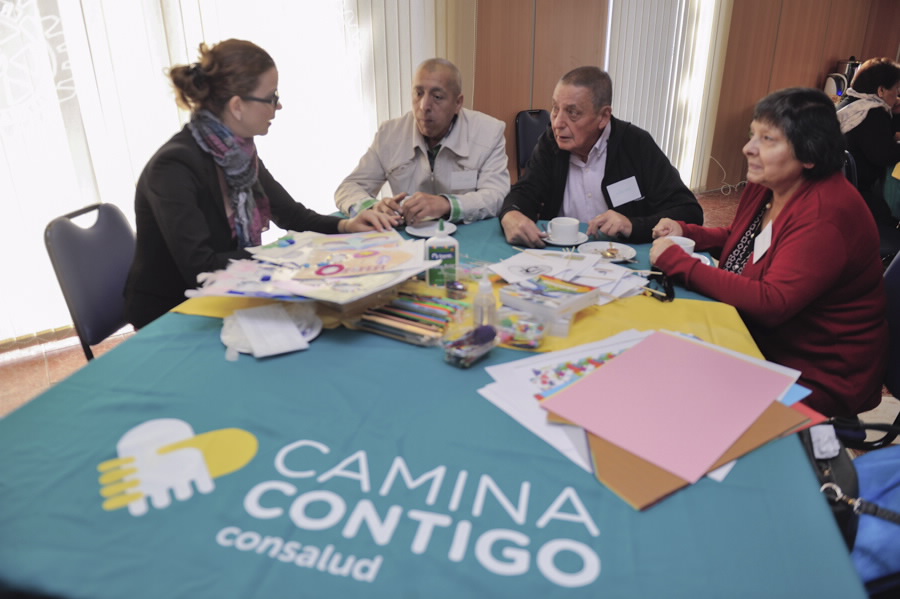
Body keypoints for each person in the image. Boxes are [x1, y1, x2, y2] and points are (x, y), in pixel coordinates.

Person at [650, 87, 888, 418]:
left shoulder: (825, 213)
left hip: (816, 372)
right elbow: (746, 239)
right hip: (763, 341)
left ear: (809, 155)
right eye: (753, 135)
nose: (748, 148)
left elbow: (772, 302)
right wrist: (689, 233)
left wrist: (680, 263)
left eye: (767, 139)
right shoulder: (770, 184)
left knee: (679, 397)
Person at [124, 40, 394, 329]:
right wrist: (290, 256)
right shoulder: (174, 167)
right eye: (271, 97)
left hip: (225, 295)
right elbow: (201, 267)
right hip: (172, 312)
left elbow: (292, 215)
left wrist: (346, 225)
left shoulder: (238, 155)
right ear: (237, 106)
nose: (278, 105)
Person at [499, 66, 702, 248]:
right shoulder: (551, 142)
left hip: (622, 256)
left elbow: (689, 212)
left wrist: (632, 225)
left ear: (603, 117)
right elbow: (525, 191)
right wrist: (511, 214)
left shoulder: (636, 144)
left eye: (572, 113)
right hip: (561, 255)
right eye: (555, 109)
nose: (557, 123)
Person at [334, 58, 510, 226]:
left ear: (458, 103)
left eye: (437, 97)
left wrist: (447, 204)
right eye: (418, 94)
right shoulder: (389, 134)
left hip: (467, 235)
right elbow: (349, 187)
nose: (424, 106)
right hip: (407, 234)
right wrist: (372, 208)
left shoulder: (488, 132)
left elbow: (496, 196)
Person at [836, 57, 900, 244]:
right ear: (881, 91)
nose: (898, 95)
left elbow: (881, 137)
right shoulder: (873, 112)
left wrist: (894, 113)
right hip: (859, 196)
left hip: (841, 189)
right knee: (891, 213)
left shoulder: (850, 103)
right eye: (896, 88)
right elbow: (884, 155)